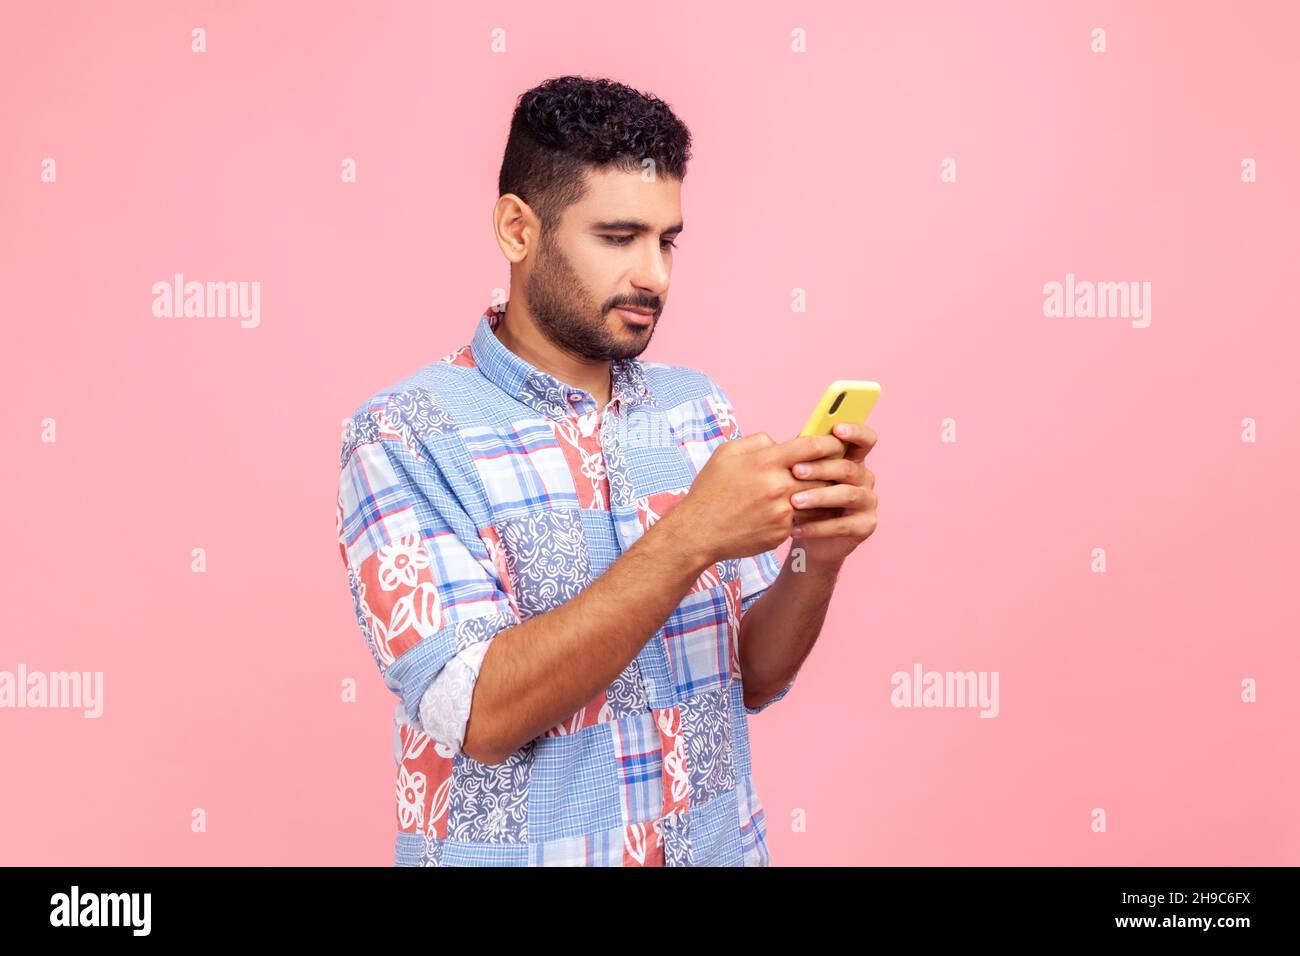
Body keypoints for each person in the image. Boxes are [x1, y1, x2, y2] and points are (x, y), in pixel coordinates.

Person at [335, 75, 879, 866]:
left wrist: (814, 560)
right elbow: (480, 713)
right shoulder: (404, 434)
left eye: (668, 240)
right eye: (619, 238)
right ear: (518, 229)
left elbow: (753, 676)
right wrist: (688, 536)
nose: (654, 275)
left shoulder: (698, 409)